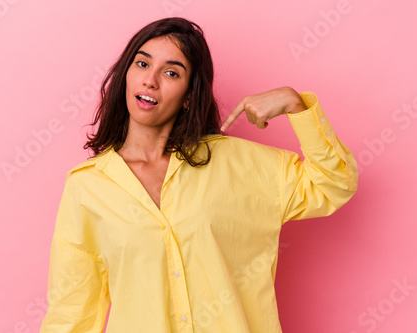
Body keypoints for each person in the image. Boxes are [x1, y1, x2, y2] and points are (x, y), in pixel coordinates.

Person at [39, 17, 358, 333]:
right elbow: (72, 314)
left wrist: (296, 104)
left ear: (189, 95)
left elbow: (334, 183)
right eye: (142, 64)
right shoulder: (88, 186)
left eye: (171, 72)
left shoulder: (239, 164)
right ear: (125, 76)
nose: (150, 80)